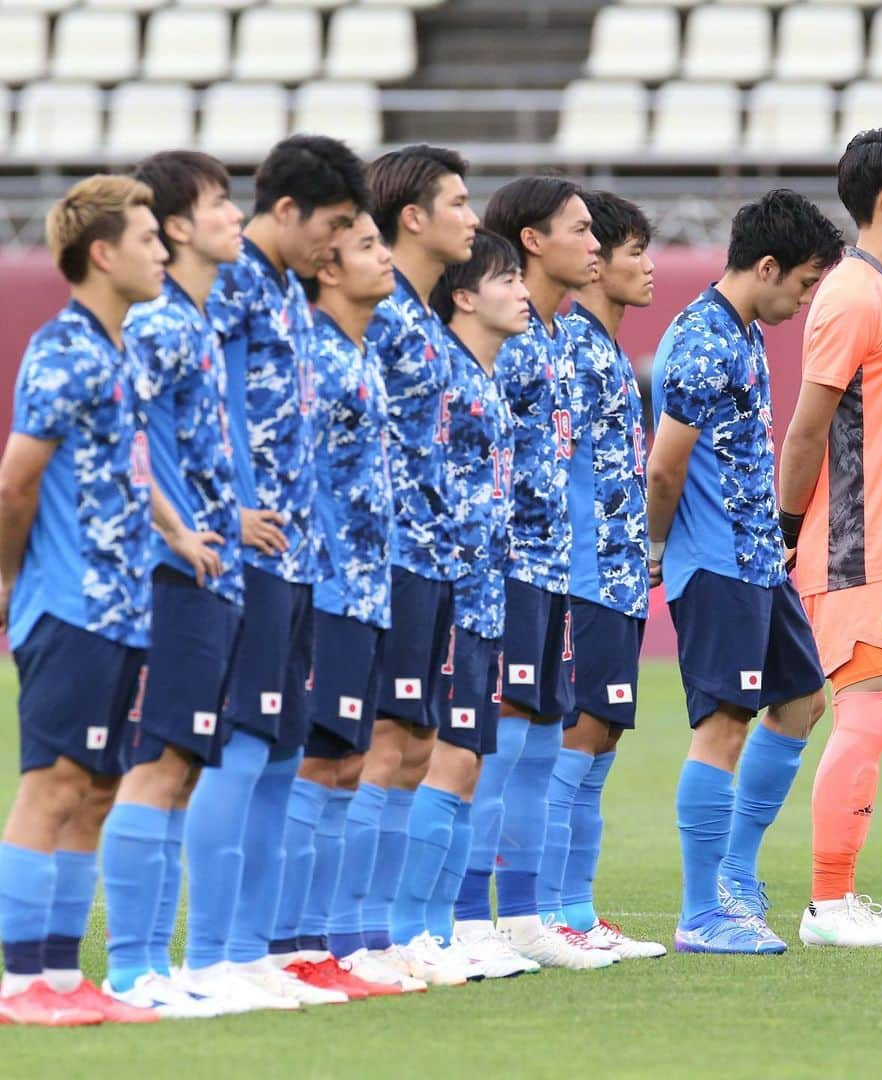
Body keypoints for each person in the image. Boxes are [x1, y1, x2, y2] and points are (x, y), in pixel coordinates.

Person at [0, 175, 210, 1024]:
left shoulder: (115, 348)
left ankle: (59, 977)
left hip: (123, 607)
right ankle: (18, 981)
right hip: (70, 604)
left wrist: (176, 531)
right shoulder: (63, 350)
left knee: (94, 788)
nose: (163, 252)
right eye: (148, 239)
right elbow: (16, 483)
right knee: (50, 785)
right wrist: (10, 580)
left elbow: (127, 465)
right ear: (102, 253)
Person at [177, 135, 365, 1008]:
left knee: (284, 751)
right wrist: (224, 514)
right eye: (330, 225)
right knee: (244, 749)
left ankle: (252, 950)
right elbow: (192, 404)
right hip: (248, 553)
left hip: (300, 558)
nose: (335, 244)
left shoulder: (286, 288)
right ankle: (207, 955)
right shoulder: (232, 283)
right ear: (284, 211)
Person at [649, 189, 842, 955]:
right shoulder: (702, 339)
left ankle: (732, 871)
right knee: (723, 727)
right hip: (718, 561)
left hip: (758, 561)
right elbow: (664, 468)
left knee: (800, 700)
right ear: (766, 266)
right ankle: (702, 914)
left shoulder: (742, 330)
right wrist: (657, 551)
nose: (803, 300)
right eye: (800, 284)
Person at [98, 151, 256, 1017]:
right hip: (170, 572)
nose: (237, 216)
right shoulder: (158, 322)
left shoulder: (196, 317)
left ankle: (160, 968)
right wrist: (174, 527)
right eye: (220, 204)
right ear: (179, 229)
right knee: (158, 764)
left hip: (209, 569)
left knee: (184, 765)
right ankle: (134, 969)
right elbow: (118, 429)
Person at [778, 128, 882, 947]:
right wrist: (785, 525)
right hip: (850, 545)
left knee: (846, 713)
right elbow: (808, 428)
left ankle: (824, 900)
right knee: (870, 716)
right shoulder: (851, 294)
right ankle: (829, 906)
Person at [454, 177, 612, 970]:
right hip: (506, 568)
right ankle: (463, 918)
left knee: (544, 743)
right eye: (580, 230)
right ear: (530, 241)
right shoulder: (504, 339)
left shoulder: (555, 337)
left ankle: (520, 917)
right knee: (502, 742)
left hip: (554, 572)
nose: (596, 244)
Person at [264, 215, 413, 996]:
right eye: (365, 248)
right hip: (320, 586)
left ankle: (316, 941)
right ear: (326, 268)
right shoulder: (313, 356)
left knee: (347, 762)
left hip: (366, 586)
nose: (383, 257)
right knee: (317, 758)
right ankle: (284, 942)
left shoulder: (361, 353)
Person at [356, 145, 479, 988]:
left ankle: (389, 933)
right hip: (390, 559)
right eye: (459, 203)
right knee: (380, 745)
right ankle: (351, 935)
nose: (475, 219)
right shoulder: (383, 311)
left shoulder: (421, 315)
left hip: (432, 561)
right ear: (413, 217)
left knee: (415, 743)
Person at [535, 190, 665, 960]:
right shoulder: (569, 349)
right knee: (575, 741)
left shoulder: (609, 352)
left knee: (603, 740)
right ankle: (548, 911)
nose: (647, 267)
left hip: (617, 579)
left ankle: (577, 912)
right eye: (632, 251)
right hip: (579, 578)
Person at [419, 228, 539, 979]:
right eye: (505, 281)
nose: (522, 291)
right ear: (464, 295)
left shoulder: (487, 378)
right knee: (438, 762)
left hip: (484, 598)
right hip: (446, 598)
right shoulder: (444, 377)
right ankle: (420, 932)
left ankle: (444, 929)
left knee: (465, 764)